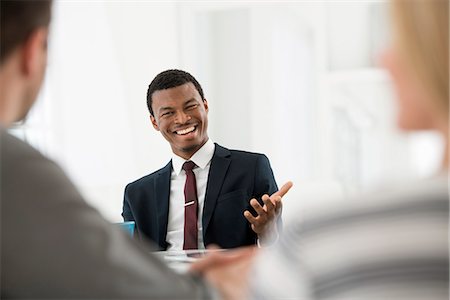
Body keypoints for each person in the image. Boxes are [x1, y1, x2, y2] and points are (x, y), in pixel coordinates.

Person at [191, 0, 449, 299]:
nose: (384, 58)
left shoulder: (332, 235)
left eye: (402, 39)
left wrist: (284, 266)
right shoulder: (326, 243)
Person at [0, 1, 216, 298]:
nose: (181, 119)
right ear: (33, 49)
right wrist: (218, 287)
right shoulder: (18, 170)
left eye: (190, 107)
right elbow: (119, 282)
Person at [122, 69, 292, 251]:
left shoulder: (251, 168)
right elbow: (133, 262)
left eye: (190, 106)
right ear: (155, 122)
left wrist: (268, 232)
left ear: (205, 106)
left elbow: (277, 250)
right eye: (168, 113)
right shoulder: (137, 194)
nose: (182, 118)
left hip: (230, 277)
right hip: (168, 279)